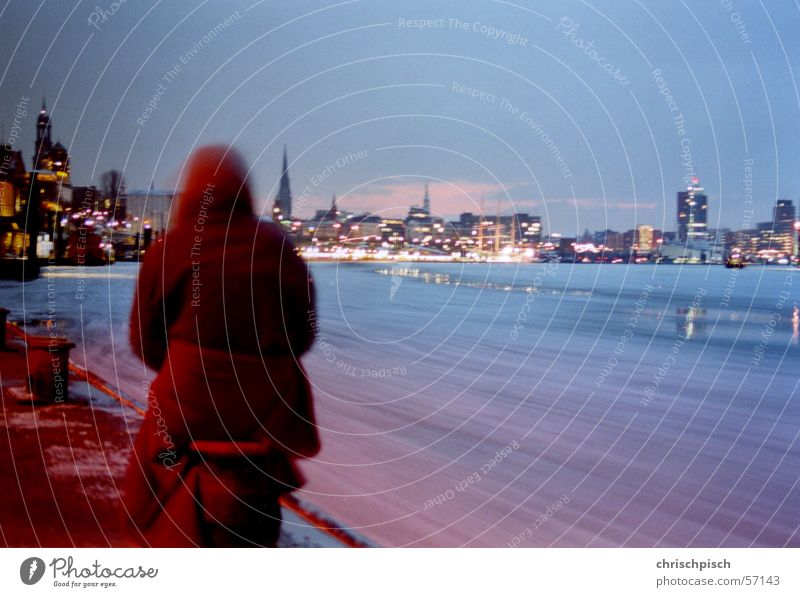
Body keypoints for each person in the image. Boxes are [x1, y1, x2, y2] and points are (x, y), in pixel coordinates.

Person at [123, 145, 319, 547]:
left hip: (187, 405)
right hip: (267, 410)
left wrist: (187, 365)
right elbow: (304, 335)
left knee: (150, 476)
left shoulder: (169, 249)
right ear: (246, 193)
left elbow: (142, 339)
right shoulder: (280, 249)